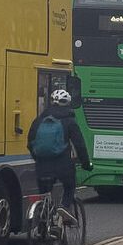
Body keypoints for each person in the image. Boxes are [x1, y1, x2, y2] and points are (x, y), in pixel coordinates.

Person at [27, 88, 91, 225]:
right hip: (63, 165)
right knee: (69, 186)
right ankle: (64, 208)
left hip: (42, 165)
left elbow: (30, 143)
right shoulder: (69, 121)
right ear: (67, 104)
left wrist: (38, 158)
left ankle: (43, 223)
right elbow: (79, 145)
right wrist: (86, 163)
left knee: (45, 193)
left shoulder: (39, 120)